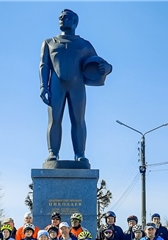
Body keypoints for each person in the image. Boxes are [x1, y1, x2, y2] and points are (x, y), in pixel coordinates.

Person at [40, 9, 112, 163]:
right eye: (60, 17)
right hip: (56, 85)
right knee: (54, 119)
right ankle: (53, 153)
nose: (61, 18)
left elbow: (102, 64)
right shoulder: (49, 43)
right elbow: (44, 65)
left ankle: (80, 153)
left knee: (78, 120)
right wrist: (43, 86)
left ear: (74, 22)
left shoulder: (84, 45)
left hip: (77, 86)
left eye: (65, 17)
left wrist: (105, 68)